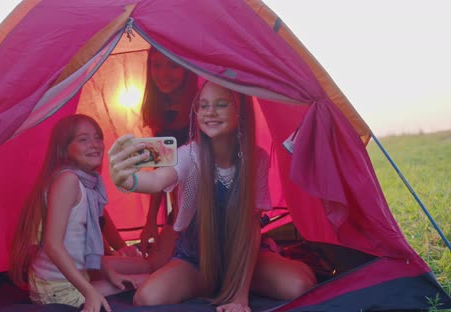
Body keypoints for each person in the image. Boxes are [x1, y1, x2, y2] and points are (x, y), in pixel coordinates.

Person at [108, 82, 317, 311]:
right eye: (203, 105)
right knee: (147, 298)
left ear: (241, 112)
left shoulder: (256, 159)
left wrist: (240, 295)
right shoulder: (189, 154)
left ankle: (278, 263)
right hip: (197, 259)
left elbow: (251, 230)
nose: (210, 112)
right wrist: (128, 180)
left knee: (300, 285)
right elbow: (157, 180)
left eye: (221, 105)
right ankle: (209, 284)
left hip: (243, 258)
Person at [9, 114, 148, 312]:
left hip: (69, 281)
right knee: (147, 282)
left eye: (97, 137)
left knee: (141, 280)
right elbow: (52, 246)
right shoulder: (68, 181)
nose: (94, 144)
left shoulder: (87, 183)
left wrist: (111, 275)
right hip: (56, 289)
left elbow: (88, 242)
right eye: (83, 139)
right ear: (64, 149)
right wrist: (90, 292)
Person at [138, 47, 198, 269]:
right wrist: (151, 220)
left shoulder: (201, 105)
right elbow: (160, 168)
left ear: (186, 69)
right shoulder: (160, 111)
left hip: (209, 207)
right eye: (157, 65)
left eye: (173, 66)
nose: (164, 74)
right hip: (180, 209)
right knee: (155, 264)